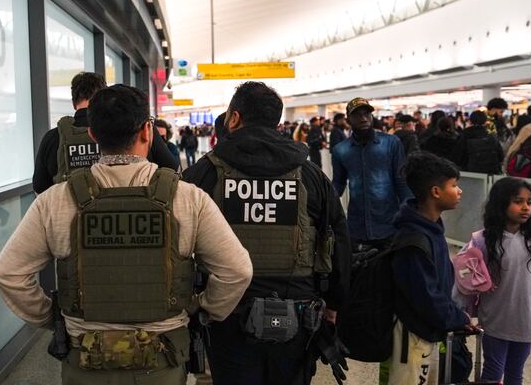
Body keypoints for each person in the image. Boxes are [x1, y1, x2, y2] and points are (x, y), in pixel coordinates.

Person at [0, 84, 253, 385]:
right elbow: (237, 271)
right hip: (163, 358)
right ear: (147, 131)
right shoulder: (187, 198)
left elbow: (8, 275)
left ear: (93, 134)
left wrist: (54, 318)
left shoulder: (55, 200)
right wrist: (200, 311)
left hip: (84, 358)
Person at [182, 81, 351, 385]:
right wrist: (335, 303)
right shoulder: (311, 176)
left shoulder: (203, 174)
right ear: (276, 121)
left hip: (225, 314)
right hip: (298, 316)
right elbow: (337, 239)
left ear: (234, 118)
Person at [461, 178, 531, 384]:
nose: (526, 207)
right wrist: (460, 313)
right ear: (501, 203)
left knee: (516, 375)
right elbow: (463, 279)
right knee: (492, 375)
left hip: (525, 323)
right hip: (494, 322)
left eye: (529, 202)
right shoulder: (482, 240)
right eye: (518, 201)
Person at [387, 152, 474, 384]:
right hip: (411, 336)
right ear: (436, 192)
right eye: (454, 185)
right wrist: (456, 316)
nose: (459, 191)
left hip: (427, 331)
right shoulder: (413, 239)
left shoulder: (431, 229)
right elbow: (426, 296)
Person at [32, 72, 178, 194]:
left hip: (72, 223)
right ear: (104, 97)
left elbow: (40, 187)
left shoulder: (52, 138)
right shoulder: (136, 127)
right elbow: (173, 170)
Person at [332, 97, 413, 243]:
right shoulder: (341, 150)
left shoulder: (391, 143)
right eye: (357, 115)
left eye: (366, 114)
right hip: (357, 227)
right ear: (348, 120)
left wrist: (409, 216)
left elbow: (401, 181)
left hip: (389, 224)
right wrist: (323, 204)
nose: (363, 118)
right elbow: (338, 183)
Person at [454, 110, 504, 174]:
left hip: (469, 174)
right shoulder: (492, 137)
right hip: (490, 174)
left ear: (470, 121)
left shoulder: (464, 136)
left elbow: (457, 157)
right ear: (485, 122)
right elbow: (501, 157)